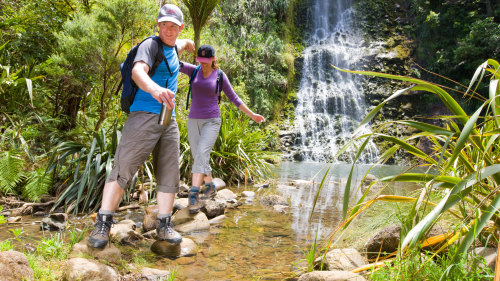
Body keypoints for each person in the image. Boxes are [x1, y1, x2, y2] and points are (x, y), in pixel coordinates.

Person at [88, 4, 195, 249]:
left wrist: (187, 42)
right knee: (124, 166)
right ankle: (103, 223)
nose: (168, 30)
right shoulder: (150, 45)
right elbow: (138, 71)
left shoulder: (172, 45)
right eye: (164, 25)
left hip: (169, 119)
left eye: (174, 26)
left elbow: (177, 44)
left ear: (180, 28)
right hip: (144, 114)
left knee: (169, 170)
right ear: (158, 25)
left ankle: (164, 224)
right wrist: (155, 89)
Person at [180, 45, 265, 214]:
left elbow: (234, 98)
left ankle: (194, 193)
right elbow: (172, 60)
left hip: (212, 121)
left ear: (213, 59)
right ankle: (210, 186)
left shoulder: (219, 76)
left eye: (206, 61)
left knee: (202, 153)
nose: (203, 64)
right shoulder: (193, 71)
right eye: (200, 61)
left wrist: (252, 115)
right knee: (199, 155)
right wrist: (182, 44)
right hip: (193, 120)